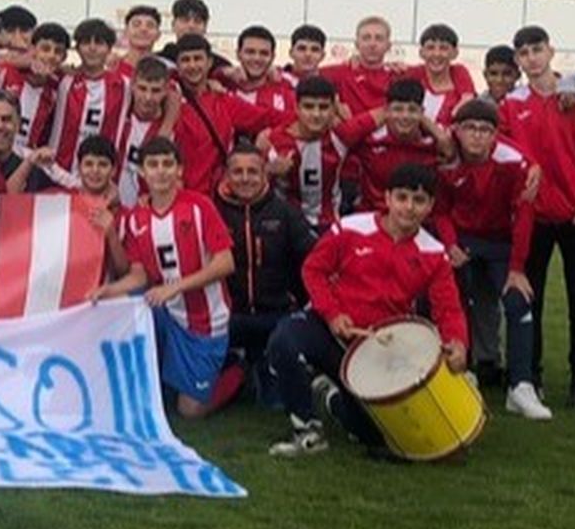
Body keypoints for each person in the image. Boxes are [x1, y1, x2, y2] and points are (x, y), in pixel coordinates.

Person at [266, 164, 467, 458]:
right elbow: (313, 270)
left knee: (375, 439)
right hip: (330, 327)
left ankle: (329, 397)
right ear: (387, 198)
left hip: (378, 348)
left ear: (430, 207)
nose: (409, 208)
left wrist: (458, 343)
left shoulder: (434, 253)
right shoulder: (350, 228)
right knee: (284, 339)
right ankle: (306, 428)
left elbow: (448, 308)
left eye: (419, 201)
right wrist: (333, 313)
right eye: (402, 197)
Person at [89, 136, 236, 419]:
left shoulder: (199, 206)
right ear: (142, 172)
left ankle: (239, 369)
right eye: (153, 165)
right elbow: (138, 275)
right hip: (168, 313)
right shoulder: (136, 219)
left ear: (179, 170)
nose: (160, 171)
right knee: (124, 308)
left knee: (190, 411)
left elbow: (225, 263)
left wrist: (175, 287)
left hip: (204, 321)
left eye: (167, 164)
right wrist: (107, 292)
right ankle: (138, 382)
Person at [499, 24, 575, 407]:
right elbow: (507, 153)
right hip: (534, 216)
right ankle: (530, 374)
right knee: (530, 298)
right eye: (523, 53)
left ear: (551, 51)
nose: (531, 58)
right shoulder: (513, 103)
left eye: (537, 50)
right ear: (518, 60)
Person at [433, 99, 548, 419]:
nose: (477, 137)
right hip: (463, 240)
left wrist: (517, 268)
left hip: (501, 242)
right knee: (453, 299)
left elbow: (524, 215)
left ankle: (521, 385)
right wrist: (451, 244)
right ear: (457, 130)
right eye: (470, 128)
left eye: (485, 130)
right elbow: (440, 210)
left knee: (518, 301)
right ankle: (462, 370)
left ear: (496, 134)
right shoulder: (444, 158)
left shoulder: (515, 162)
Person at [214, 144, 315, 396]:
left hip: (277, 314)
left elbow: (315, 261)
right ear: (226, 175)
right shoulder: (212, 211)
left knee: (274, 400)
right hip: (228, 317)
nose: (245, 179)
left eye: (252, 172)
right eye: (238, 172)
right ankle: (239, 364)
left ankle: (265, 365)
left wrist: (305, 304)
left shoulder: (285, 213)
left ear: (264, 174)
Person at [169, 35, 277, 195]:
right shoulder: (166, 97)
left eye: (198, 59)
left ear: (209, 63)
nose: (192, 65)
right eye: (185, 60)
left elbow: (271, 117)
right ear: (177, 65)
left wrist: (271, 135)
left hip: (217, 196)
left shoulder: (223, 101)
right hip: (178, 197)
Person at [266, 75, 365, 229]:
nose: (316, 114)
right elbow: (247, 185)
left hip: (328, 224)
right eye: (309, 107)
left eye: (324, 107)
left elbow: (384, 114)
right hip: (285, 227)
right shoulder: (272, 141)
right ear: (296, 108)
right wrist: (268, 171)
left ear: (334, 109)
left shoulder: (340, 136)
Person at [344, 77, 451, 212]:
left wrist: (431, 128)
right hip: (373, 215)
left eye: (412, 110)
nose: (405, 116)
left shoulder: (432, 142)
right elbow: (342, 134)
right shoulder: (370, 140)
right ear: (386, 111)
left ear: (422, 113)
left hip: (418, 219)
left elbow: (450, 151)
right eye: (398, 109)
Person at [50, 18, 131, 175]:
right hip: (59, 173)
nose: (92, 48)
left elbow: (165, 90)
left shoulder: (124, 85)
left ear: (109, 48)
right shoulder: (62, 79)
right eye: (86, 42)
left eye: (99, 43)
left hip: (101, 178)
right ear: (78, 48)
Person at [112, 55, 176, 207]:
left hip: (147, 213)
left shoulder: (175, 128)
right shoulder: (116, 115)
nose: (148, 97)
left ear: (166, 90)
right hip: (111, 209)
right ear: (132, 85)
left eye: (155, 91)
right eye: (142, 88)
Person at [0, 21, 67, 150]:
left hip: (24, 162)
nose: (51, 55)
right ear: (33, 49)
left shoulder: (58, 89)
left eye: (58, 52)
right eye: (45, 49)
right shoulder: (5, 72)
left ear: (64, 57)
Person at [319, 15, 400, 116]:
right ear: (357, 44)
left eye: (379, 38)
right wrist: (335, 104)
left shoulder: (399, 75)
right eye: (366, 38)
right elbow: (303, 75)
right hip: (350, 130)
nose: (372, 44)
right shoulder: (337, 73)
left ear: (388, 46)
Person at [218, 25, 297, 123]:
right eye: (250, 52)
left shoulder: (287, 96)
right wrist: (221, 72)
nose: (257, 58)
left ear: (272, 57)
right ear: (238, 54)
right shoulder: (219, 88)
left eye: (264, 53)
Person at [413, 23, 475, 125]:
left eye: (443, 48)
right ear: (421, 52)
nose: (437, 54)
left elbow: (467, 104)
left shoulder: (459, 72)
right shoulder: (412, 73)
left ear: (455, 53)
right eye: (430, 48)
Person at [117, 5, 163, 76]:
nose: (143, 29)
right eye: (136, 25)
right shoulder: (112, 69)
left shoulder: (168, 70)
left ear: (158, 35)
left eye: (150, 25)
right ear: (125, 32)